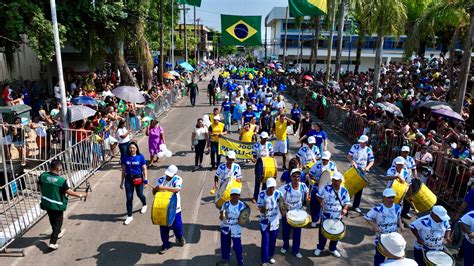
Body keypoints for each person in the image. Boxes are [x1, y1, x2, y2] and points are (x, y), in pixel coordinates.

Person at [38, 160, 87, 250]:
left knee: (52, 219)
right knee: (58, 223)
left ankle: (58, 232)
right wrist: (81, 194)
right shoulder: (61, 181)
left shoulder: (43, 176)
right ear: (59, 168)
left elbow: (40, 187)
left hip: (46, 203)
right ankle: (53, 242)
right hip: (57, 205)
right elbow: (69, 192)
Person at [314, 172, 351, 258]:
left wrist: (345, 208)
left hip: (337, 216)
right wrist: (321, 201)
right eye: (333, 180)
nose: (334, 182)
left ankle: (332, 248)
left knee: (336, 233)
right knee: (323, 233)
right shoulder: (326, 188)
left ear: (340, 181)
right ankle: (320, 247)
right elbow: (318, 195)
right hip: (325, 215)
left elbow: (347, 202)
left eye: (336, 181)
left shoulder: (344, 190)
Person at [364, 188, 403, 266]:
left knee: (391, 258)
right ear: (384, 197)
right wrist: (375, 226)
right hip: (381, 237)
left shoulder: (397, 207)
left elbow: (398, 217)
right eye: (389, 197)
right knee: (379, 257)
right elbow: (367, 217)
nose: (391, 199)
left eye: (393, 197)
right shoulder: (378, 209)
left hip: (393, 237)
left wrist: (400, 225)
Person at [278, 168, 310, 259]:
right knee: (285, 232)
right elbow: (278, 194)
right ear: (291, 177)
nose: (296, 178)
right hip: (288, 213)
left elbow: (307, 191)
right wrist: (282, 208)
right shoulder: (286, 187)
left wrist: (307, 198)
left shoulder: (303, 186)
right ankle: (285, 246)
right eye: (294, 176)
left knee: (297, 233)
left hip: (298, 213)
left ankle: (296, 250)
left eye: (298, 176)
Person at [154, 165, 185, 254]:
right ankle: (165, 244)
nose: (168, 176)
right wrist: (156, 189)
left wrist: (163, 188)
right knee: (163, 228)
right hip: (163, 208)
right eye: (167, 174)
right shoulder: (160, 180)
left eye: (170, 175)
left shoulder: (178, 179)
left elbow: (177, 189)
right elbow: (154, 192)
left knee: (177, 227)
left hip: (175, 208)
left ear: (175, 174)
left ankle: (180, 237)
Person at [120, 142, 148, 225]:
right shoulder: (125, 157)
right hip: (128, 178)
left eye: (133, 148)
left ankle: (144, 204)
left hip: (138, 177)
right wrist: (121, 181)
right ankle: (129, 216)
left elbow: (144, 169)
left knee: (140, 194)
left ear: (136, 148)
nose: (132, 149)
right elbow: (123, 170)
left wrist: (145, 179)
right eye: (130, 148)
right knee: (129, 198)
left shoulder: (140, 157)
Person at [308, 151, 338, 227]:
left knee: (326, 205)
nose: (324, 161)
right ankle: (314, 220)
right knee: (314, 204)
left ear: (329, 159)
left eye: (326, 160)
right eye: (323, 159)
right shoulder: (317, 164)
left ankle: (324, 221)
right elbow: (310, 174)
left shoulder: (332, 165)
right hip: (317, 186)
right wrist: (316, 180)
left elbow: (336, 176)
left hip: (328, 188)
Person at [257, 178, 282, 266]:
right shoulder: (262, 194)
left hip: (274, 221)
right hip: (264, 222)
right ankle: (264, 260)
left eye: (273, 187)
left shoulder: (278, 194)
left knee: (272, 241)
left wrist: (284, 208)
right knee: (265, 242)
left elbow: (282, 203)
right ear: (267, 187)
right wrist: (262, 209)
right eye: (270, 187)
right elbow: (259, 205)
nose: (271, 189)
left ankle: (270, 256)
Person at [347, 135, 374, 213]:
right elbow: (349, 156)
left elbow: (372, 161)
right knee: (349, 186)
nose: (361, 144)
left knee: (359, 189)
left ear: (366, 142)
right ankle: (344, 202)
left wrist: (367, 167)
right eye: (360, 142)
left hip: (362, 171)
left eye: (363, 142)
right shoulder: (355, 147)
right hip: (353, 169)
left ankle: (356, 206)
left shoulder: (368, 150)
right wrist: (353, 162)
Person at [219, 188, 246, 266]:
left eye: (236, 195)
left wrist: (244, 220)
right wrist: (222, 216)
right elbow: (221, 216)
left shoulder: (242, 205)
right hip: (225, 228)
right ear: (230, 196)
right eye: (233, 195)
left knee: (237, 247)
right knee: (225, 246)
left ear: (239, 196)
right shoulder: (226, 204)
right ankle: (225, 262)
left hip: (236, 228)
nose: (234, 197)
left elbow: (244, 218)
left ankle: (240, 261)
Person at [392, 146, 417, 218]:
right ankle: (392, 211)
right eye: (404, 152)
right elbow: (393, 169)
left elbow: (414, 169)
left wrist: (415, 177)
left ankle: (404, 212)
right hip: (399, 180)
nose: (405, 153)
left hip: (408, 179)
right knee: (398, 196)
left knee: (408, 196)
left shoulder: (411, 159)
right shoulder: (397, 159)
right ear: (401, 152)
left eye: (407, 152)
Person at [252, 131, 274, 203]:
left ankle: (263, 196)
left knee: (265, 181)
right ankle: (255, 197)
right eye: (263, 138)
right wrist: (254, 159)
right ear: (260, 138)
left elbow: (271, 154)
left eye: (266, 138)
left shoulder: (269, 144)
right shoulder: (256, 145)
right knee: (258, 181)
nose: (265, 140)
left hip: (267, 164)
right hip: (259, 164)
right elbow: (254, 156)